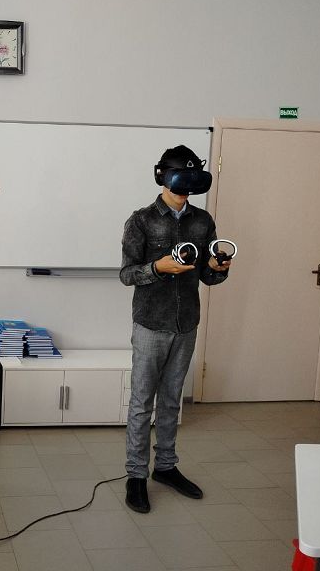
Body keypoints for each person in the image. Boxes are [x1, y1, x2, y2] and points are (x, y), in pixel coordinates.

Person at [119, 145, 232, 514]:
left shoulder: (203, 221)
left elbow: (208, 277)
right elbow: (126, 274)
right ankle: (136, 475)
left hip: (186, 325)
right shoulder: (141, 220)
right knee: (142, 403)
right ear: (163, 177)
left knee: (171, 401)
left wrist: (217, 268)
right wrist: (158, 268)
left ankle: (165, 467)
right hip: (151, 324)